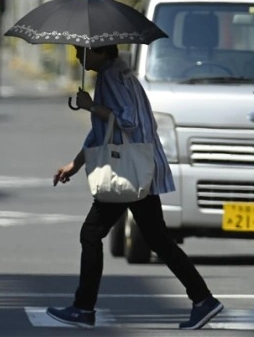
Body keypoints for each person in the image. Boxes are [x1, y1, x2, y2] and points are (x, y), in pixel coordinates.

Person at [46, 44, 223, 330]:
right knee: (157, 238)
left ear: (102, 51)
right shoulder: (122, 74)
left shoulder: (111, 77)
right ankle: (203, 299)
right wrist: (75, 164)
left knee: (91, 234)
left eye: (83, 51)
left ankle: (83, 308)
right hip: (139, 167)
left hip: (126, 170)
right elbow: (104, 129)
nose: (79, 57)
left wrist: (90, 105)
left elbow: (125, 120)